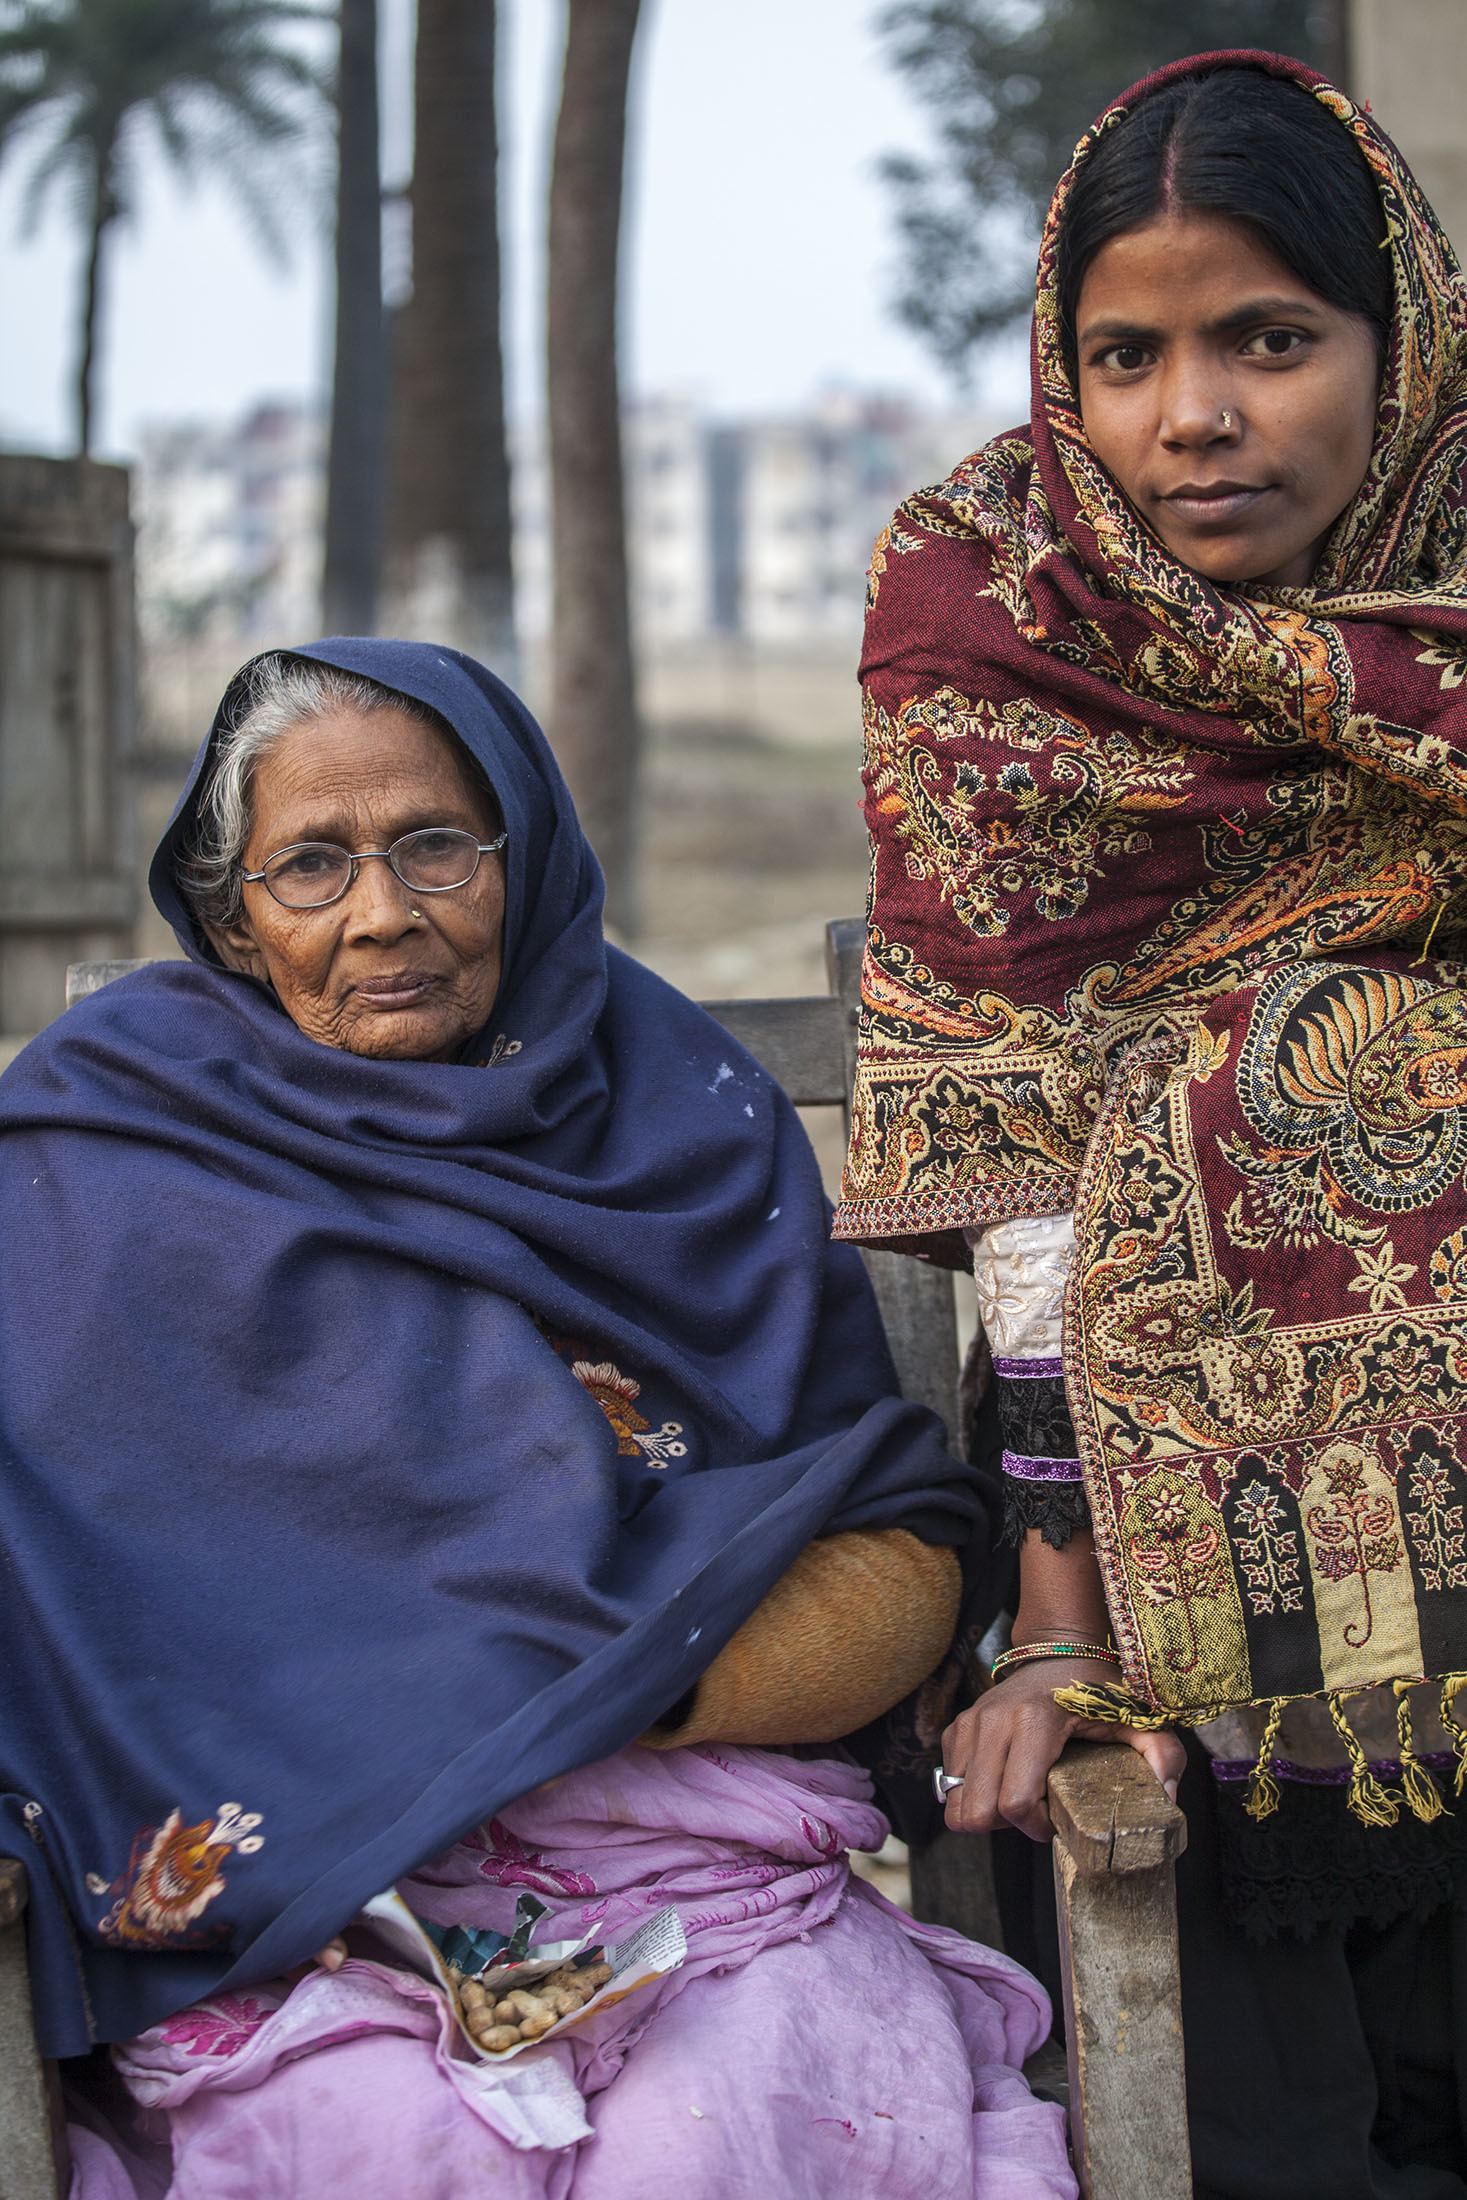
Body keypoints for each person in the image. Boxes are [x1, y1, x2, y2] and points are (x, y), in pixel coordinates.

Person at [0, 640, 1074, 2198]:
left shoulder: (677, 1121)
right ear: (233, 918)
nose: (384, 913)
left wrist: (609, 1691)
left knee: (717, 2133)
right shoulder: (107, 1132)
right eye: (310, 866)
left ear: (527, 852)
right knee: (370, 2142)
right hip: (303, 1901)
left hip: (692, 1856)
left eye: (436, 846)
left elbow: (890, 1528)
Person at [836, 47, 1467, 2200]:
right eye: (1124, 354)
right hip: (1147, 1519)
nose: (1189, 417)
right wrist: (1054, 1623)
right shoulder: (994, 622)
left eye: (1265, 340)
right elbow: (1027, 1173)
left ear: (1399, 341)